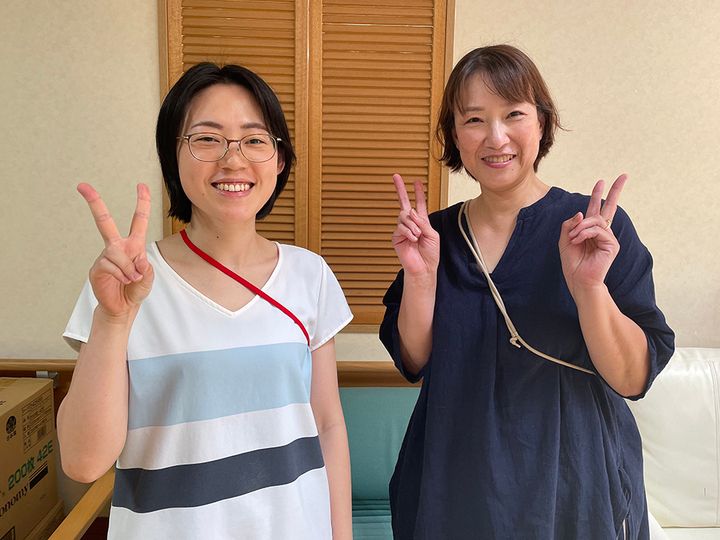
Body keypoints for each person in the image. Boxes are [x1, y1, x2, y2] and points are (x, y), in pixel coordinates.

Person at [380, 45, 674, 540]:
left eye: (513, 114)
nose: (496, 138)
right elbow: (413, 360)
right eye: (474, 119)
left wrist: (589, 288)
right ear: (455, 134)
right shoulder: (435, 236)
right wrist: (421, 279)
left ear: (542, 122)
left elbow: (632, 377)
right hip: (453, 476)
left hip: (572, 480)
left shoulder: (595, 228)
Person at [58, 63, 353, 540]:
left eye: (254, 140)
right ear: (172, 156)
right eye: (207, 139)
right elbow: (83, 462)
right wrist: (113, 321)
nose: (233, 160)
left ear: (279, 159)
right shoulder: (127, 283)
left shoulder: (310, 275)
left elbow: (328, 424)